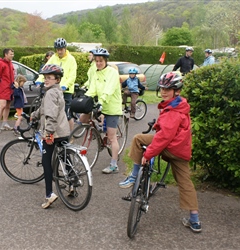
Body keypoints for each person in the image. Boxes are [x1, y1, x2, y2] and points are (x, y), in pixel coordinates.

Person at [119, 71, 202, 233]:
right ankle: (194, 219)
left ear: (176, 90)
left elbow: (164, 137)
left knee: (138, 139)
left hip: (169, 146)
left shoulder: (172, 111)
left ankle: (134, 176)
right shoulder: (180, 105)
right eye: (162, 88)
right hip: (181, 150)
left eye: (168, 89)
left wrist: (149, 153)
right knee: (185, 182)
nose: (163, 91)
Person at [31, 64, 70, 209]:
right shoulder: (57, 91)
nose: (46, 80)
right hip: (64, 131)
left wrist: (49, 133)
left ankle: (49, 194)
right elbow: (44, 109)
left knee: (46, 161)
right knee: (66, 157)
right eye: (45, 77)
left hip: (54, 132)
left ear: (57, 79)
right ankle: (72, 185)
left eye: (49, 78)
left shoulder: (50, 94)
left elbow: (51, 115)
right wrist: (34, 115)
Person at [80, 48, 122, 174]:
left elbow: (108, 90)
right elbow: (92, 89)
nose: (98, 63)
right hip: (101, 104)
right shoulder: (96, 73)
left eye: (101, 61)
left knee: (111, 137)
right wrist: (84, 99)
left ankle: (114, 165)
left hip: (112, 107)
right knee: (83, 118)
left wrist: (101, 101)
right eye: (96, 61)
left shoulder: (112, 73)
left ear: (105, 61)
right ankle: (97, 130)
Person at [37, 38, 77, 131]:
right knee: (53, 113)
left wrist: (65, 85)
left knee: (67, 115)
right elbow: (45, 70)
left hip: (66, 90)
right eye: (57, 49)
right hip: (53, 89)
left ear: (65, 48)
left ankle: (69, 136)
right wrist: (39, 79)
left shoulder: (71, 59)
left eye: (61, 49)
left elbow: (72, 76)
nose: (59, 51)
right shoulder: (53, 58)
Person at [0, 48, 15, 134]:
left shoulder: (10, 64)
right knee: (2, 105)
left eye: (13, 54)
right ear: (6, 54)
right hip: (3, 87)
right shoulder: (0, 64)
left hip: (10, 88)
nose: (12, 56)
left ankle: (5, 123)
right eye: (10, 54)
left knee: (8, 106)